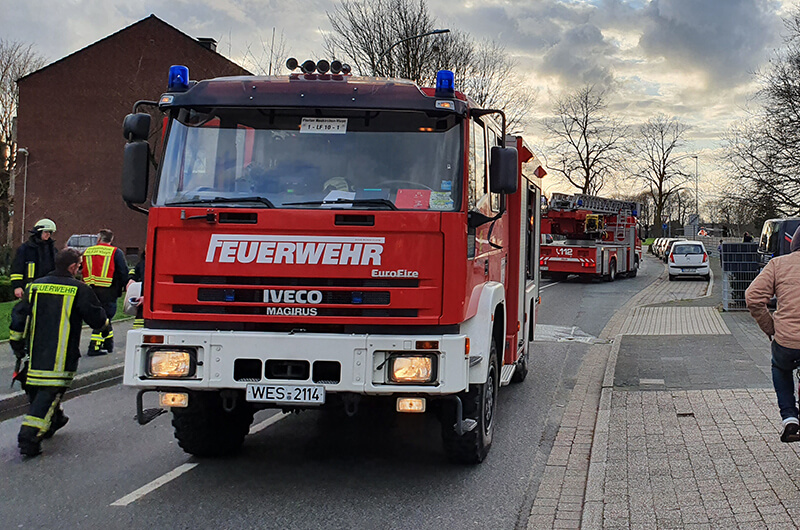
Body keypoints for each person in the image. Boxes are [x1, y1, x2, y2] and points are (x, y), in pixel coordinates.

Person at [10, 248, 109, 457]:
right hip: (61, 357)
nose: (79, 270)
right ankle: (28, 438)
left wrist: (17, 344)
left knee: (38, 389)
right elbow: (96, 318)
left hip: (35, 355)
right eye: (79, 266)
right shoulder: (79, 289)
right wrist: (105, 326)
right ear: (72, 267)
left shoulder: (35, 286)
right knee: (49, 393)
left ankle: (55, 419)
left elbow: (19, 317)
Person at [745, 225, 800, 442]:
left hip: (787, 341)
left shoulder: (778, 264)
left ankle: (789, 418)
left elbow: (752, 297)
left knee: (780, 367)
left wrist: (770, 327)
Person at [81, 229, 128, 355]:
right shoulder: (115, 252)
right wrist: (126, 286)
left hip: (91, 290)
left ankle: (108, 343)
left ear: (99, 239)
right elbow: (123, 271)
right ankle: (94, 347)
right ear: (111, 240)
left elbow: (80, 267)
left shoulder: (88, 251)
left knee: (104, 317)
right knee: (104, 318)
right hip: (109, 291)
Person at [10, 218, 58, 299]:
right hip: (31, 288)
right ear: (38, 232)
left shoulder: (53, 250)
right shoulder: (25, 249)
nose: (48, 235)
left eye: (50, 232)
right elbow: (17, 269)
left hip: (49, 288)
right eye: (46, 232)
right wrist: (17, 286)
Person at [127, 250, 145, 329]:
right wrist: (131, 279)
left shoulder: (158, 264)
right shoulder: (143, 262)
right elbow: (134, 271)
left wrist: (148, 298)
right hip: (141, 303)